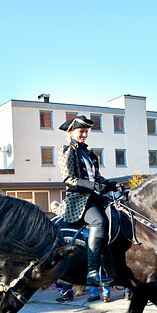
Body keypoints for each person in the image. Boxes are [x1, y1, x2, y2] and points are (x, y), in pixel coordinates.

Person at [57, 115, 120, 286]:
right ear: (70, 133)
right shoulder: (67, 151)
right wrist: (93, 186)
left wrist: (112, 184)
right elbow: (69, 179)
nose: (84, 134)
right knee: (98, 222)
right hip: (78, 199)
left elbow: (97, 177)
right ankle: (92, 271)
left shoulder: (89, 153)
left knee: (117, 216)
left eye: (86, 132)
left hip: (94, 197)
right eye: (81, 131)